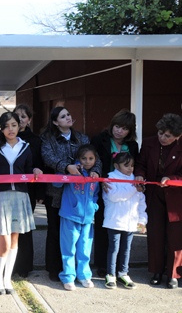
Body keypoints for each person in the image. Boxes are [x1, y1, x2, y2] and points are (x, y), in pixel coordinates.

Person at [40, 106, 101, 282]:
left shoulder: (81, 137)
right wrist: (66, 167)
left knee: (80, 236)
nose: (68, 117)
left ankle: (78, 271)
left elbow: (94, 158)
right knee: (55, 230)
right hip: (56, 191)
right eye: (63, 116)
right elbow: (48, 158)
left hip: (79, 194)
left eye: (68, 114)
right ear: (54, 121)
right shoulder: (48, 139)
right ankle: (55, 268)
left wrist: (95, 171)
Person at [0, 112, 36, 295]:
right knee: (2, 243)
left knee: (14, 241)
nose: (10, 129)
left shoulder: (25, 147)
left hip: (19, 196)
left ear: (19, 126)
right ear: (1, 129)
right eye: (6, 126)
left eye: (13, 125)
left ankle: (7, 279)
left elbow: (28, 169)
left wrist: (35, 169)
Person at [134, 113, 182, 289]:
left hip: (177, 198)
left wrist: (172, 178)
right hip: (154, 196)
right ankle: (156, 271)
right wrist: (140, 174)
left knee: (175, 236)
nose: (162, 137)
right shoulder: (149, 143)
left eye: (168, 136)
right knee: (155, 234)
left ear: (178, 136)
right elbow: (141, 164)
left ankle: (173, 274)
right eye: (160, 133)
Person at [90, 109, 139, 277]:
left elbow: (136, 166)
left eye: (124, 128)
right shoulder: (99, 139)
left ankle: (120, 267)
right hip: (105, 187)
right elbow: (93, 161)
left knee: (122, 228)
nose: (119, 131)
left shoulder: (132, 145)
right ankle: (103, 265)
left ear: (130, 131)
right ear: (112, 125)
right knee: (104, 225)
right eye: (117, 126)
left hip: (125, 190)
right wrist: (101, 180)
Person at [53, 145, 100, 291]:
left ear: (95, 160)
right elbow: (56, 182)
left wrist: (94, 207)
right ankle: (68, 276)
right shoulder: (73, 172)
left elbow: (96, 195)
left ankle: (84, 275)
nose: (87, 161)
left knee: (85, 248)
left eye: (90, 158)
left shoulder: (95, 176)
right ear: (78, 159)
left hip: (88, 219)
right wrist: (70, 171)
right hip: (70, 215)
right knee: (68, 248)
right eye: (84, 158)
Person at [103, 152, 147, 290]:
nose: (130, 169)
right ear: (116, 165)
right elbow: (115, 196)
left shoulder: (136, 180)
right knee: (114, 248)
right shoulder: (110, 178)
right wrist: (133, 187)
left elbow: (141, 203)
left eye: (132, 166)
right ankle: (110, 274)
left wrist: (142, 220)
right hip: (115, 221)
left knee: (126, 249)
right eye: (126, 166)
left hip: (131, 223)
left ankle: (123, 273)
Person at [13, 105, 45, 278]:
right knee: (9, 226)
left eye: (23, 116)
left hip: (29, 190)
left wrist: (40, 193)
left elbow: (40, 165)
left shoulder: (35, 140)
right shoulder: (4, 137)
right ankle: (9, 264)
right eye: (16, 116)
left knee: (24, 228)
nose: (20, 119)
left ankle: (24, 266)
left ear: (29, 120)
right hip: (8, 189)